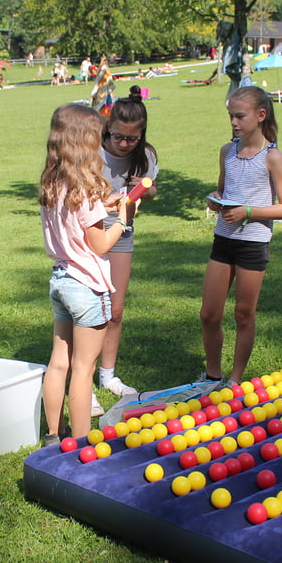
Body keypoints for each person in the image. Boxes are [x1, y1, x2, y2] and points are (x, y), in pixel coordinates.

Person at [39, 104, 130, 444]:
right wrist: (121, 221)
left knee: (58, 362)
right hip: (86, 286)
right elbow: (100, 244)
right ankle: (80, 444)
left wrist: (104, 206)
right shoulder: (87, 191)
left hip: (61, 281)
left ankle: (53, 434)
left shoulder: (53, 184)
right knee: (83, 368)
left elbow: (74, 219)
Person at [200, 87, 282, 387]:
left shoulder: (272, 157)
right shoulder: (227, 152)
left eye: (240, 116)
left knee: (244, 314)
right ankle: (212, 376)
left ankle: (235, 380)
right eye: (231, 115)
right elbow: (223, 190)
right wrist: (216, 199)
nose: (233, 122)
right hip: (223, 240)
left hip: (252, 244)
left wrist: (249, 212)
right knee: (209, 314)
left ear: (260, 115)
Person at [97, 86, 158, 401]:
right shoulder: (93, 152)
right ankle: (81, 376)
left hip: (122, 233)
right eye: (118, 136)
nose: (123, 144)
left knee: (115, 310)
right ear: (108, 127)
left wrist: (147, 190)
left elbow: (151, 191)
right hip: (90, 232)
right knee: (87, 310)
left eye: (131, 139)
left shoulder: (145, 155)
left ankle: (107, 375)